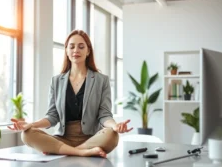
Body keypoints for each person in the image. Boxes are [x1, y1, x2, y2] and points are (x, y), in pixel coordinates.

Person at [8, 30, 133, 158]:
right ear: (66, 51)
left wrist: (115, 126)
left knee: (112, 135)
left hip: (91, 139)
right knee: (27, 134)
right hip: (63, 139)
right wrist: (31, 124)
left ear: (88, 51)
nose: (76, 50)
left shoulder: (101, 80)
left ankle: (65, 151)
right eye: (71, 46)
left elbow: (104, 115)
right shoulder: (56, 81)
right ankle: (81, 152)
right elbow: (52, 116)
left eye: (81, 46)